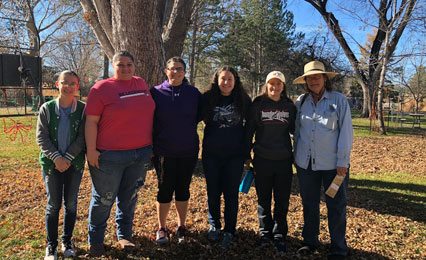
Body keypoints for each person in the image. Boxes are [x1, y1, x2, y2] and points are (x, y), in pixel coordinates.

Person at [85, 50, 155, 256]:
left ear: (134, 66)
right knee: (104, 198)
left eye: (128, 64)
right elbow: (91, 121)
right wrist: (91, 150)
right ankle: (96, 240)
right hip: (109, 155)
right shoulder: (101, 88)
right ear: (112, 67)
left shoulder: (141, 84)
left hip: (140, 153)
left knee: (129, 196)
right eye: (120, 65)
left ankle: (124, 235)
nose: (125, 68)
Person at [293, 61, 353, 260]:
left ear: (325, 78)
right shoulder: (301, 101)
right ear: (306, 81)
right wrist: (295, 156)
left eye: (317, 76)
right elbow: (297, 131)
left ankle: (338, 248)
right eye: (310, 78)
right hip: (306, 164)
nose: (314, 80)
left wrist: (343, 161)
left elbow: (346, 132)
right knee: (309, 204)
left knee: (336, 207)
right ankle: (309, 242)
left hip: (333, 166)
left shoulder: (338, 101)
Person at [150, 57, 202, 245]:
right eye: (172, 69)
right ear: (166, 71)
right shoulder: (155, 92)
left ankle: (181, 226)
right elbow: (149, 121)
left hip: (188, 150)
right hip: (164, 150)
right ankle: (162, 227)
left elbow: (200, 118)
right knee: (164, 190)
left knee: (183, 190)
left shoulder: (194, 94)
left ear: (184, 72)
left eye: (179, 69)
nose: (176, 72)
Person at [36, 70, 86, 260]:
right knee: (54, 204)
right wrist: (57, 158)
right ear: (57, 84)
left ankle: (67, 241)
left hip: (74, 164)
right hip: (51, 165)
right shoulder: (46, 109)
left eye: (72, 83)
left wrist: (68, 158)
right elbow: (41, 137)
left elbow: (82, 138)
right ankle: (52, 245)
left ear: (77, 86)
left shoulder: (82, 110)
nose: (68, 86)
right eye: (64, 82)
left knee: (71, 204)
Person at [244, 71, 296, 252]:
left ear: (283, 86)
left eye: (278, 84)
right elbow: (249, 131)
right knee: (263, 200)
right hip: (262, 160)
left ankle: (280, 234)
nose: (275, 87)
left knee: (282, 201)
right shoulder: (258, 105)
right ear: (266, 85)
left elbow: (297, 132)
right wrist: (246, 156)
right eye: (271, 84)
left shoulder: (289, 106)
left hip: (283, 160)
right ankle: (265, 233)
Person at [201, 66, 251, 249]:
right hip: (211, 155)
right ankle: (214, 224)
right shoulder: (207, 98)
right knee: (213, 192)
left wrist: (247, 152)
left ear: (235, 81)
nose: (226, 82)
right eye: (223, 79)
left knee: (231, 194)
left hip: (234, 156)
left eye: (230, 79)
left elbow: (250, 127)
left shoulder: (243, 99)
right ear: (217, 80)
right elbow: (193, 117)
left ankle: (230, 229)